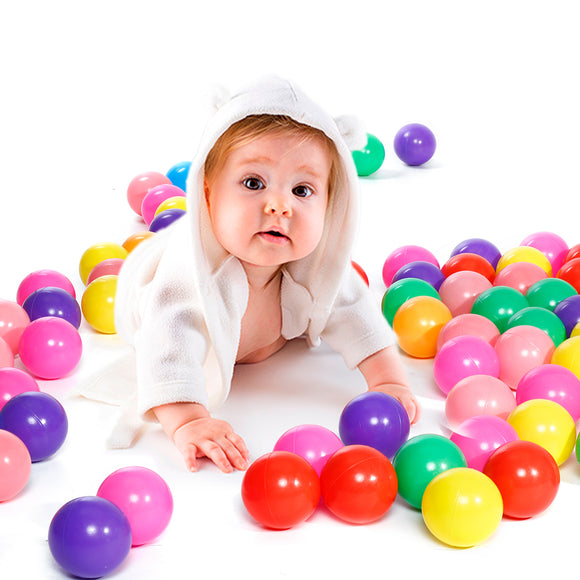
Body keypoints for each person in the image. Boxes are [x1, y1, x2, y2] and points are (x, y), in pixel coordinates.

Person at [111, 75, 420, 473]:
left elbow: (358, 316)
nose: (279, 205)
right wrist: (188, 420)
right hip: (149, 284)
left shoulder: (318, 267)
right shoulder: (186, 278)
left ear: (331, 206)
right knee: (164, 277)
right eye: (253, 183)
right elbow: (165, 345)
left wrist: (388, 382)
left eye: (303, 190)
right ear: (207, 194)